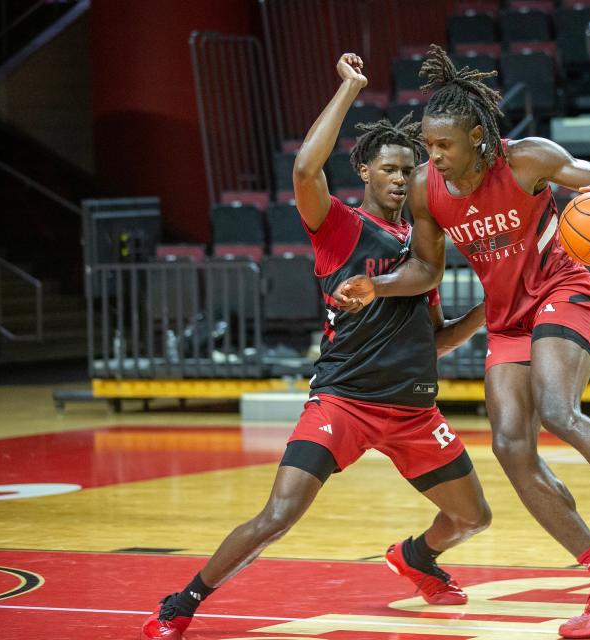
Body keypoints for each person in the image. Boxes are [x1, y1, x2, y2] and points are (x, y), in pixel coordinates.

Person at [333, 45, 590, 639]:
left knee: (559, 411)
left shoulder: (530, 159)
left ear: (479, 138)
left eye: (444, 147)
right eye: (428, 147)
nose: (432, 158)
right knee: (511, 448)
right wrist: (376, 287)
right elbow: (428, 271)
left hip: (564, 289)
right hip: (508, 318)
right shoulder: (428, 190)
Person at [141, 53, 491, 640]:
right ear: (366, 173)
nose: (402, 178)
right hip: (343, 404)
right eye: (389, 169)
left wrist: (487, 311)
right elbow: (306, 169)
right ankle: (181, 602)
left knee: (472, 517)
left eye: (410, 168)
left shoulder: (424, 245)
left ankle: (416, 557)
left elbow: (432, 338)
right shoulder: (340, 227)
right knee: (278, 516)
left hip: (412, 409)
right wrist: (349, 89)